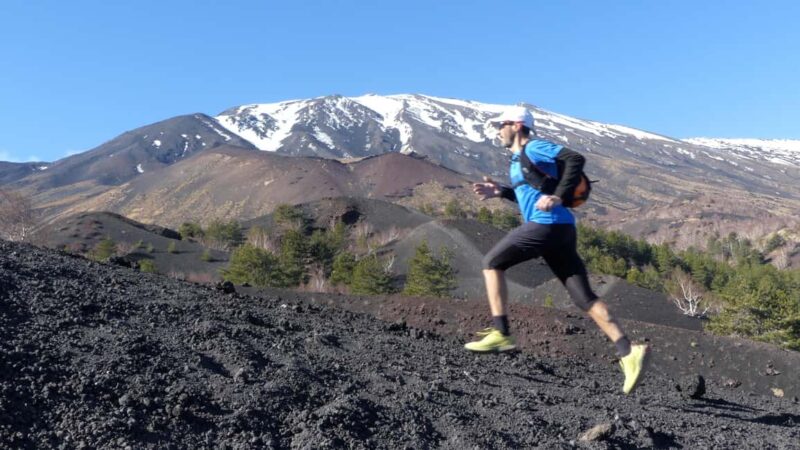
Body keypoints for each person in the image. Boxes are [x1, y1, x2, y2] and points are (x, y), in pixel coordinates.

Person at [464, 106, 649, 394]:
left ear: (516, 125)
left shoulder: (534, 147)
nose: (497, 130)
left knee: (491, 263)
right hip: (561, 230)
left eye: (500, 125)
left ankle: (501, 332)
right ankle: (629, 352)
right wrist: (502, 192)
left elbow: (575, 158)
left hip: (546, 225)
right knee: (583, 297)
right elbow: (532, 195)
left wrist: (558, 196)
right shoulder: (518, 160)